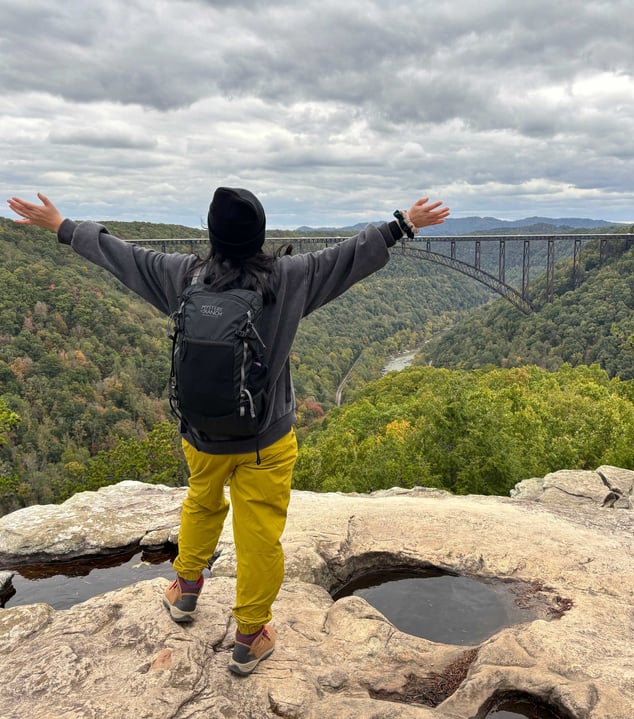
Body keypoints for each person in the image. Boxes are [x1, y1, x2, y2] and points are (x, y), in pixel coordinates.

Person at [7, 188, 450, 675]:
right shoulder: (288, 279)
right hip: (266, 441)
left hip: (201, 434)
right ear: (260, 236)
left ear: (212, 236)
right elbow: (347, 258)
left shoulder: (182, 276)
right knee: (258, 535)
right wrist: (403, 224)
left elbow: (122, 255)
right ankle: (250, 635)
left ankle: (186, 589)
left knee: (202, 500)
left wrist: (61, 226)